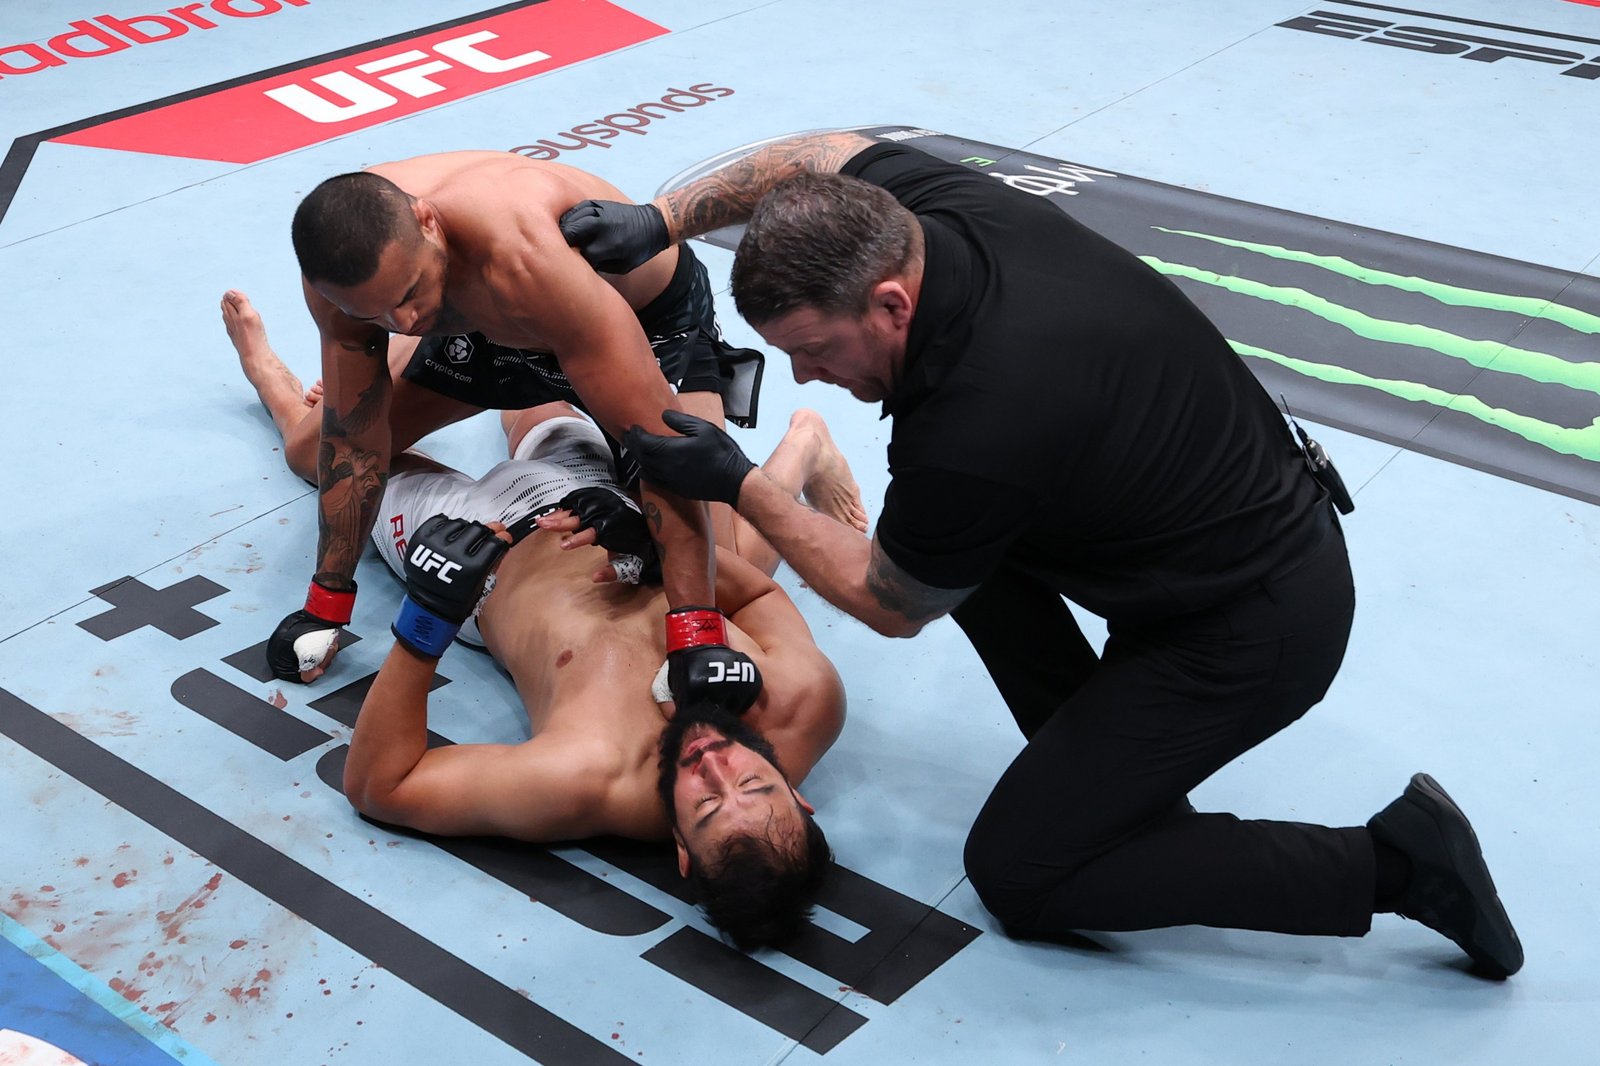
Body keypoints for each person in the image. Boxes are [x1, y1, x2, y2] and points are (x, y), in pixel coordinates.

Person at [556, 131, 1525, 977]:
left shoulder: (982, 418)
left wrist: (741, 480)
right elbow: (814, 153)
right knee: (957, 551)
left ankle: (1399, 861)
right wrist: (664, 216)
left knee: (1022, 870)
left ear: (891, 304)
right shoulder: (931, 211)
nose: (805, 374)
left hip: (1253, 627)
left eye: (816, 351)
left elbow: (892, 603)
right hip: (1192, 531)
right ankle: (1119, 803)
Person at [232, 292, 861, 947]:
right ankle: (796, 445)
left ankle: (273, 377)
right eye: (754, 783)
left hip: (479, 551)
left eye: (705, 805)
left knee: (330, 459)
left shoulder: (587, 775)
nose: (715, 765)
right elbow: (759, 598)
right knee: (532, 368)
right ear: (799, 796)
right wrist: (648, 548)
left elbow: (379, 786)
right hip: (606, 507)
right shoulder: (806, 702)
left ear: (680, 845)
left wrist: (429, 617)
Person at [268, 151, 769, 726]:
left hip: (635, 316)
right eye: (379, 315)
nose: (403, 323)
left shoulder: (525, 260)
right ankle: (272, 369)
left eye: (408, 294)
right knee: (313, 452)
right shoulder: (344, 288)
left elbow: (663, 450)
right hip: (489, 325)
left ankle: (804, 447)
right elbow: (356, 442)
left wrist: (694, 633)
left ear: (429, 222)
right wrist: (326, 602)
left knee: (722, 564)